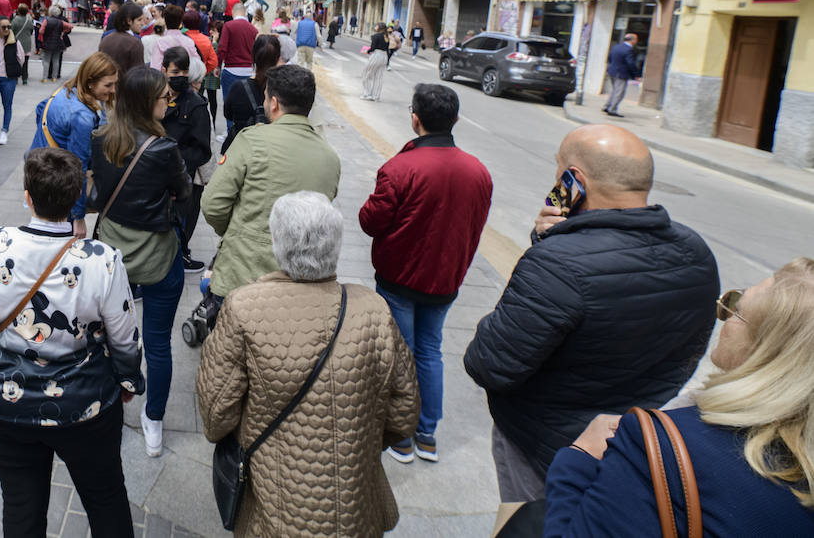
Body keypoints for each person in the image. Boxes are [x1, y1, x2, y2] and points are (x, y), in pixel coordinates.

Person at [464, 124, 720, 503]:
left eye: (559, 168)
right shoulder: (697, 252)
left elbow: (488, 363)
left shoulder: (556, 263)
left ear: (575, 179)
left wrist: (547, 252)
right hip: (630, 441)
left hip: (544, 449)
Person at [197, 192, 418, 537]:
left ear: (278, 244)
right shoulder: (373, 309)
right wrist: (358, 440)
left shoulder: (245, 308)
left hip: (274, 511)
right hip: (358, 513)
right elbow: (404, 414)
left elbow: (215, 416)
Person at [543, 258, 814, 536]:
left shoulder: (657, 447)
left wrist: (580, 458)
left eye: (738, 308)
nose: (725, 313)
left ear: (768, 351)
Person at [0, 148, 143, 537]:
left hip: (2, 402)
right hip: (84, 404)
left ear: (27, 196)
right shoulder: (102, 259)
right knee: (106, 498)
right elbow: (124, 335)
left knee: (22, 504)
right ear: (77, 197)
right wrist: (128, 381)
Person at [359, 83, 492, 464]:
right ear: (456, 120)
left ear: (415, 118)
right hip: (445, 278)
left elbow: (370, 221)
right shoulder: (478, 171)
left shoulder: (400, 167)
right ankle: (427, 433)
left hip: (399, 277)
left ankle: (400, 435)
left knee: (401, 352)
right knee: (430, 351)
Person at [88, 66, 191, 458]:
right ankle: (154, 421)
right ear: (148, 103)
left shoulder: (102, 138)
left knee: (107, 337)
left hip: (112, 256)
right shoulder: (164, 149)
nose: (171, 101)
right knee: (158, 343)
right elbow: (184, 194)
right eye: (165, 96)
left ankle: (108, 405)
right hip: (158, 258)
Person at [202, 66, 340, 301]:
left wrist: (238, 232)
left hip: (243, 274)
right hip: (300, 285)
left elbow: (213, 204)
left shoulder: (252, 140)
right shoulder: (330, 157)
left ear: (273, 103)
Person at [28, 52, 118, 237]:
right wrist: (78, 217)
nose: (113, 90)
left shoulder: (66, 91)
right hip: (60, 186)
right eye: (108, 85)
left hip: (39, 172)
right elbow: (79, 166)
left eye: (115, 84)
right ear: (91, 82)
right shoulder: (82, 117)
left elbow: (40, 109)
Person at [161, 46, 212, 274]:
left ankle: (175, 262)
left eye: (184, 73)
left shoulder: (197, 105)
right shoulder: (153, 96)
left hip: (180, 180)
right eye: (175, 72)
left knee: (176, 227)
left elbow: (202, 151)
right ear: (164, 70)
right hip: (151, 177)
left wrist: (177, 165)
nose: (181, 77)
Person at [221, 34, 281, 153]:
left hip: (239, 148)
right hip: (271, 150)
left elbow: (228, 114)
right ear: (278, 58)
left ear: (253, 57)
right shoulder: (282, 89)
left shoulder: (238, 87)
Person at [217, 3, 259, 123]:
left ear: (233, 12)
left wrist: (218, 66)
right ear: (245, 12)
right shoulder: (253, 29)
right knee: (246, 102)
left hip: (231, 69)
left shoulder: (229, 26)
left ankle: (230, 131)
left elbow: (222, 48)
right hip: (248, 70)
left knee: (229, 103)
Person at [0, 16, 26, 146]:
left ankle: (4, 131)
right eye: (4, 27)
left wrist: (12, 69)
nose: (7, 29)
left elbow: (21, 59)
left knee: (7, 105)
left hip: (8, 79)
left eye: (8, 27)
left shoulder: (14, 42)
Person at [181, 10, 219, 127]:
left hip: (182, 76)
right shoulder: (205, 40)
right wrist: (202, 73)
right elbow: (213, 62)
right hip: (199, 78)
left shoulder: (181, 38)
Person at [99, 2, 147, 77]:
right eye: (139, 20)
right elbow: (138, 74)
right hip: (126, 86)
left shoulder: (106, 39)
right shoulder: (135, 43)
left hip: (106, 85)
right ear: (129, 21)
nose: (142, 23)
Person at [604, 32, 642, 117]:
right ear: (632, 40)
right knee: (619, 92)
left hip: (612, 72)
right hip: (621, 74)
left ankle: (607, 106)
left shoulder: (616, 47)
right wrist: (636, 74)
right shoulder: (629, 50)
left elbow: (610, 58)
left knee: (615, 90)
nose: (637, 41)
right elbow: (631, 63)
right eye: (636, 39)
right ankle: (612, 110)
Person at [360, 23, 390, 101]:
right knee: (378, 77)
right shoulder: (386, 37)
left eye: (376, 25)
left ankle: (367, 94)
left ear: (379, 28)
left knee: (366, 74)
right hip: (384, 56)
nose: (375, 27)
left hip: (376, 55)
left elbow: (373, 48)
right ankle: (376, 96)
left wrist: (367, 51)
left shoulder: (375, 36)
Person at [10, 4, 37, 86]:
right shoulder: (29, 20)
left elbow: (12, 31)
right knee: (25, 62)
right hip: (26, 42)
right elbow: (31, 30)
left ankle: (16, 77)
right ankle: (25, 78)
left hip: (17, 42)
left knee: (16, 61)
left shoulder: (15, 20)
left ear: (18, 11)